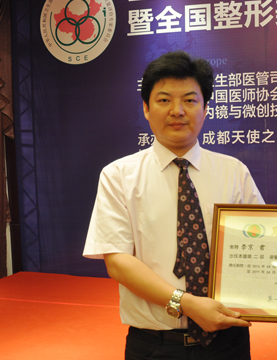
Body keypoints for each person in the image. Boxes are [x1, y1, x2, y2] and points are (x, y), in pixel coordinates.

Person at [83, 51, 264, 359]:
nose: (177, 111)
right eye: (164, 100)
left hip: (228, 342)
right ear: (146, 108)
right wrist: (187, 303)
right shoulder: (118, 175)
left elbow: (263, 245)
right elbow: (118, 261)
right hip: (155, 346)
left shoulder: (234, 172)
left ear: (205, 109)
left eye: (190, 101)